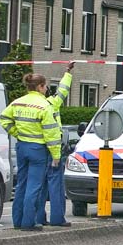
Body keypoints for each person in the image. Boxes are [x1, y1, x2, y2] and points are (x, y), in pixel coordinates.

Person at [0, 72, 62, 231]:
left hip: (22, 146)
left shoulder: (17, 103)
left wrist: (17, 133)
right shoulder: (44, 106)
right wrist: (56, 155)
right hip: (38, 149)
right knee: (34, 186)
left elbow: (4, 119)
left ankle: (17, 221)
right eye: (45, 85)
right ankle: (28, 222)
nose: (46, 88)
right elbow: (51, 133)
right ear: (40, 87)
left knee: (21, 184)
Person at [38, 61, 74, 227]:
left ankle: (39, 218)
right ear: (42, 88)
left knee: (39, 185)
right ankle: (57, 218)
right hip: (53, 148)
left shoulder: (27, 104)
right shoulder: (52, 103)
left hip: (36, 148)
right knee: (56, 185)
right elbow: (63, 90)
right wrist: (67, 72)